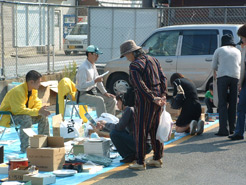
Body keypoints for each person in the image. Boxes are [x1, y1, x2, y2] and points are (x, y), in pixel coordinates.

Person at [120, 40, 167, 170]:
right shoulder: (153, 59)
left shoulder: (135, 65)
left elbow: (139, 85)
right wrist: (163, 95)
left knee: (141, 130)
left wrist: (152, 98)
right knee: (155, 129)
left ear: (131, 53)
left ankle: (140, 162)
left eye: (126, 55)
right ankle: (157, 158)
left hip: (145, 101)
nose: (126, 58)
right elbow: (163, 78)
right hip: (158, 98)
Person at [0, 70, 50, 152]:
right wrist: (37, 111)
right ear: (31, 82)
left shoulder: (33, 90)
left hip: (23, 114)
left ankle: (44, 143)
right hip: (8, 117)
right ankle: (25, 148)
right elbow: (18, 110)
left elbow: (37, 103)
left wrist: (40, 111)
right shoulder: (18, 91)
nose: (40, 84)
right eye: (38, 82)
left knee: (43, 116)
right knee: (25, 118)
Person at [94, 94, 151, 163]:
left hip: (142, 145)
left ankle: (129, 155)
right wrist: (103, 127)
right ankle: (133, 154)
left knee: (114, 134)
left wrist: (105, 123)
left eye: (118, 102)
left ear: (123, 101)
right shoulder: (133, 109)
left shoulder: (128, 110)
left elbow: (118, 128)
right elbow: (120, 128)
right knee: (116, 132)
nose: (117, 104)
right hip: (146, 145)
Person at [212, 34, 241, 136]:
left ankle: (223, 130)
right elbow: (240, 64)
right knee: (233, 103)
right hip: (235, 77)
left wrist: (216, 73)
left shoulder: (219, 50)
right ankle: (232, 129)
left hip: (223, 77)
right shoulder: (238, 51)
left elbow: (214, 66)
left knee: (223, 103)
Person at [76, 45, 116, 118]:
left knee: (111, 99)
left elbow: (98, 81)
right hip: (82, 95)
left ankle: (110, 121)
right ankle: (102, 123)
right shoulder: (83, 68)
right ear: (89, 54)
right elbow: (82, 85)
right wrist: (94, 81)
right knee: (99, 100)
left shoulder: (92, 65)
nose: (97, 57)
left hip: (92, 93)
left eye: (98, 55)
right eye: (96, 54)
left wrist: (105, 93)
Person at [229, 24, 246, 140]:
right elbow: (243, 67)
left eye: (242, 37)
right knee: (241, 107)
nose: (241, 40)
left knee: (242, 106)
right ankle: (239, 132)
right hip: (245, 82)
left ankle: (239, 132)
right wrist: (240, 82)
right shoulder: (244, 48)